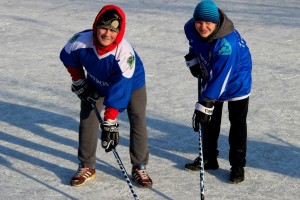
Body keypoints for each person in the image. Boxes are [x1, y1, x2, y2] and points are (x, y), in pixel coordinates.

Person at [59, 4, 152, 188]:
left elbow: (120, 90)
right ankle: (87, 165)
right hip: (95, 81)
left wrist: (110, 122)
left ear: (119, 31)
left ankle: (139, 165)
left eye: (112, 30)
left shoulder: (124, 54)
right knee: (88, 118)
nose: (107, 34)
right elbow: (67, 56)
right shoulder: (81, 41)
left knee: (137, 117)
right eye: (103, 28)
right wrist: (78, 81)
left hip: (131, 83)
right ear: (95, 26)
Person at [183, 0, 252, 184]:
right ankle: (209, 158)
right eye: (199, 22)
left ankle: (237, 165)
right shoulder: (191, 27)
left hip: (236, 79)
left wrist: (206, 103)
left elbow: (222, 78)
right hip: (214, 69)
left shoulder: (227, 45)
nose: (203, 27)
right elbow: (194, 44)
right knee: (210, 122)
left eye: (208, 23)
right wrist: (193, 60)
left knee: (237, 124)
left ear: (216, 23)